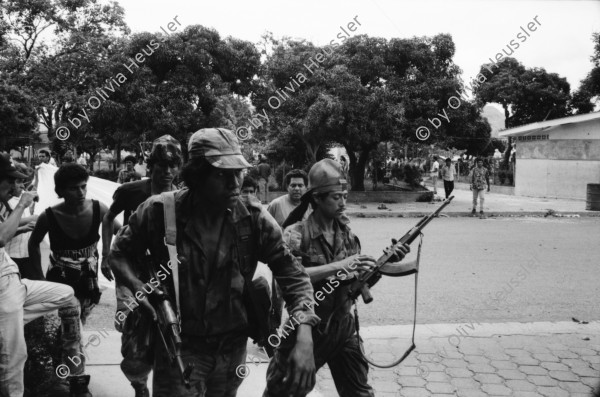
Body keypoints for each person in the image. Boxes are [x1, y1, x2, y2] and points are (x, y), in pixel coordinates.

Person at [108, 128, 319, 397]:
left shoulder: (252, 218)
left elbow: (293, 276)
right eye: (222, 173)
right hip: (180, 346)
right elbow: (119, 253)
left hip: (232, 350)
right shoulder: (160, 211)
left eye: (238, 172)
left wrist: (304, 335)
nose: (235, 183)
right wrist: (142, 291)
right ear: (196, 175)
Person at [264, 159, 410, 397]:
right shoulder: (295, 235)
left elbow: (355, 285)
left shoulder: (348, 236)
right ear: (317, 199)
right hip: (306, 328)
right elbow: (285, 283)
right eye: (336, 197)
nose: (343, 203)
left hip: (343, 328)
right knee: (282, 391)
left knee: (359, 393)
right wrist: (339, 266)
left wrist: (385, 264)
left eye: (345, 195)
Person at [102, 135, 182, 397]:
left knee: (169, 331)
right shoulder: (131, 191)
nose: (167, 172)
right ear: (151, 167)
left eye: (173, 166)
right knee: (134, 341)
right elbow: (108, 218)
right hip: (133, 268)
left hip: (169, 273)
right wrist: (105, 254)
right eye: (161, 166)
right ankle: (139, 385)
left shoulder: (184, 196)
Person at [29, 164, 110, 396]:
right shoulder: (50, 216)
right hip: (61, 281)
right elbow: (33, 243)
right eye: (74, 188)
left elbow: (119, 228)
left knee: (72, 327)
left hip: (89, 282)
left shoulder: (98, 208)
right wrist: (38, 277)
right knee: (73, 330)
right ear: (61, 190)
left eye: (84, 186)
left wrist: (108, 255)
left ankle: (57, 364)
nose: (81, 192)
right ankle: (77, 383)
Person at [0, 154, 75, 397]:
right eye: (9, 181)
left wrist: (39, 218)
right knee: (15, 357)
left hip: (15, 283)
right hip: (3, 290)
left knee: (65, 293)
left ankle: (6, 326)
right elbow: (1, 237)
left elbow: (11, 226)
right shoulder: (13, 202)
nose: (14, 186)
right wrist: (22, 203)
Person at [3, 165, 40, 279]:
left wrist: (38, 177)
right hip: (11, 254)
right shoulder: (6, 201)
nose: (22, 185)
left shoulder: (24, 196)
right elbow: (5, 227)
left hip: (26, 252)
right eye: (17, 181)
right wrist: (30, 219)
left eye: (23, 181)